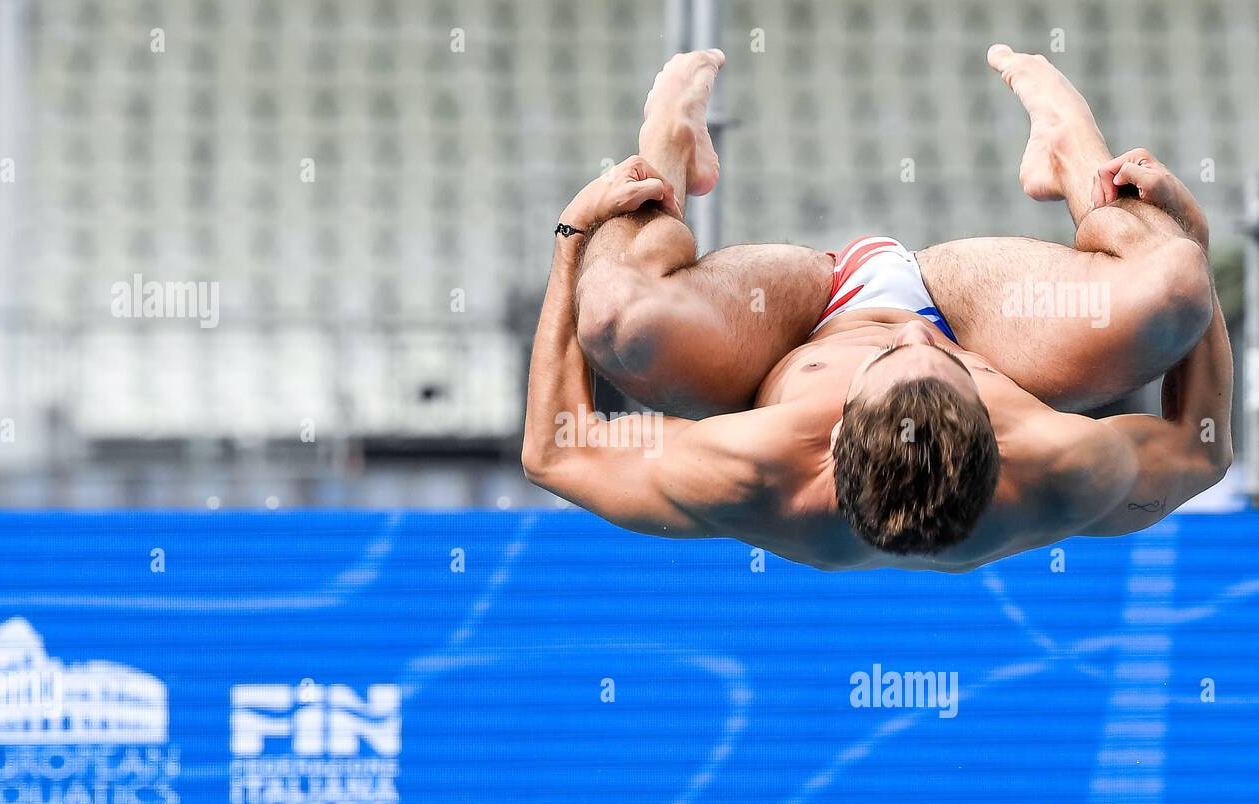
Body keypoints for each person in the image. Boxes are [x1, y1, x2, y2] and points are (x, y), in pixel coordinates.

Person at [521, 47, 1232, 572]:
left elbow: (555, 451)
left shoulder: (751, 475)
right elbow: (1200, 448)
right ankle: (1069, 152)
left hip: (796, 321)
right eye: (955, 372)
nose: (916, 337)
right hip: (979, 312)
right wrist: (1188, 240)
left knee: (617, 316)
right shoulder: (1061, 473)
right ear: (997, 436)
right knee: (1175, 286)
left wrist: (572, 240)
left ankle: (666, 150)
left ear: (832, 442)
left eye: (893, 359)